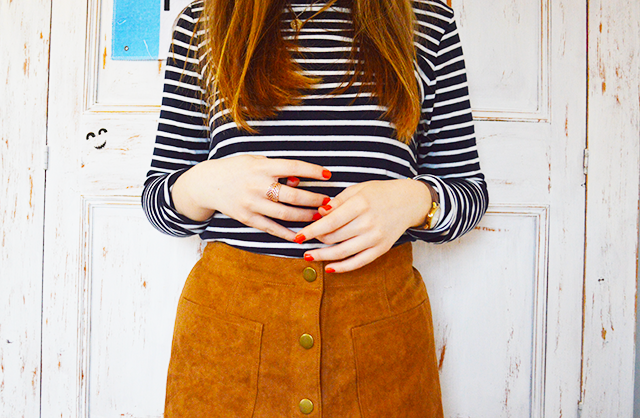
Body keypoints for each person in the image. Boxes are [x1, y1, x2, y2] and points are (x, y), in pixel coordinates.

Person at [141, 0, 489, 416]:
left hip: (380, 338)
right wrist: (207, 183)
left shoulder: (427, 22)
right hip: (229, 337)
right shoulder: (204, 21)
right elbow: (158, 197)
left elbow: (469, 190)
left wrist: (416, 201)